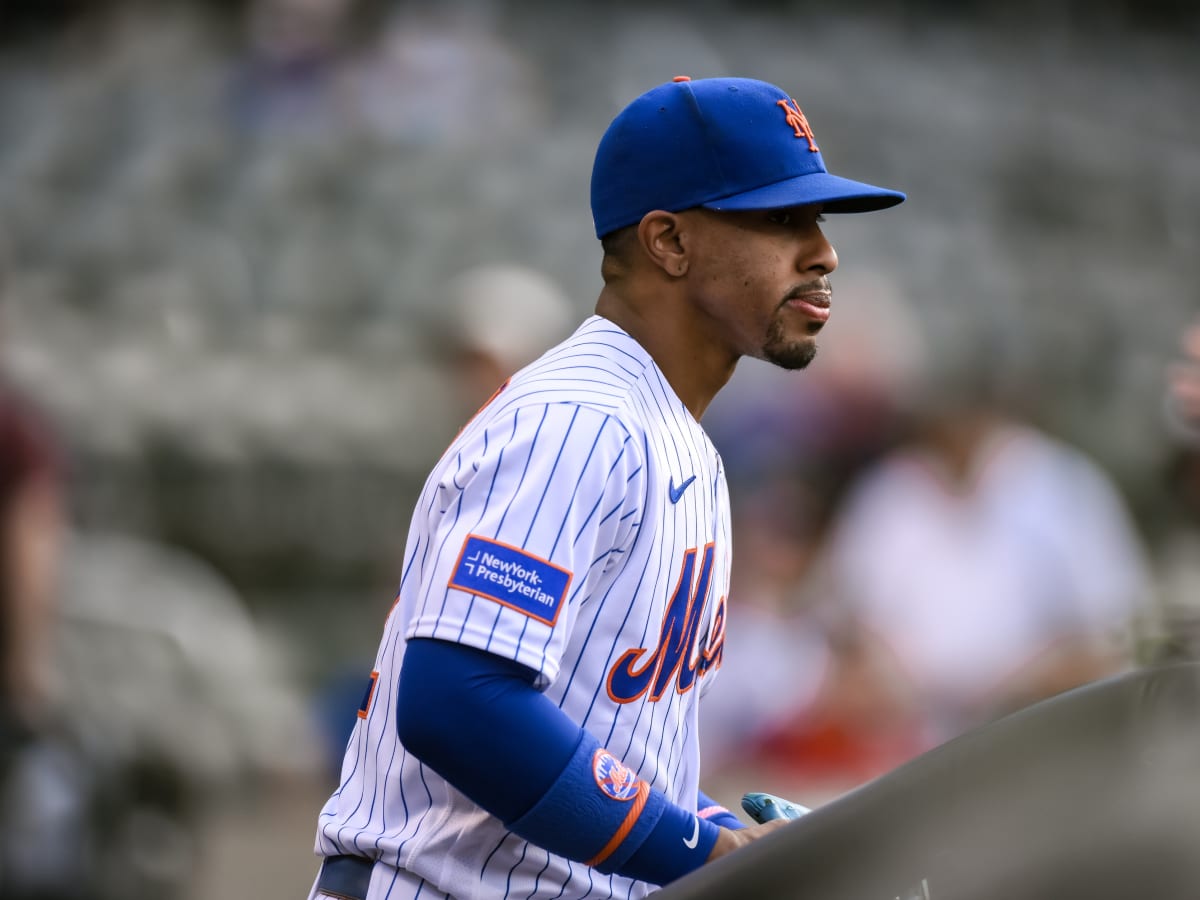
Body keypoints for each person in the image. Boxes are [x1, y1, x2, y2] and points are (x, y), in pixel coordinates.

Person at [308, 75, 904, 900]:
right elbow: (457, 699)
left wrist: (723, 833)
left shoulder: (675, 440)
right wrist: (695, 851)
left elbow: (603, 741)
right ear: (668, 241)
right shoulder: (580, 420)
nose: (824, 252)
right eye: (781, 218)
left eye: (819, 222)